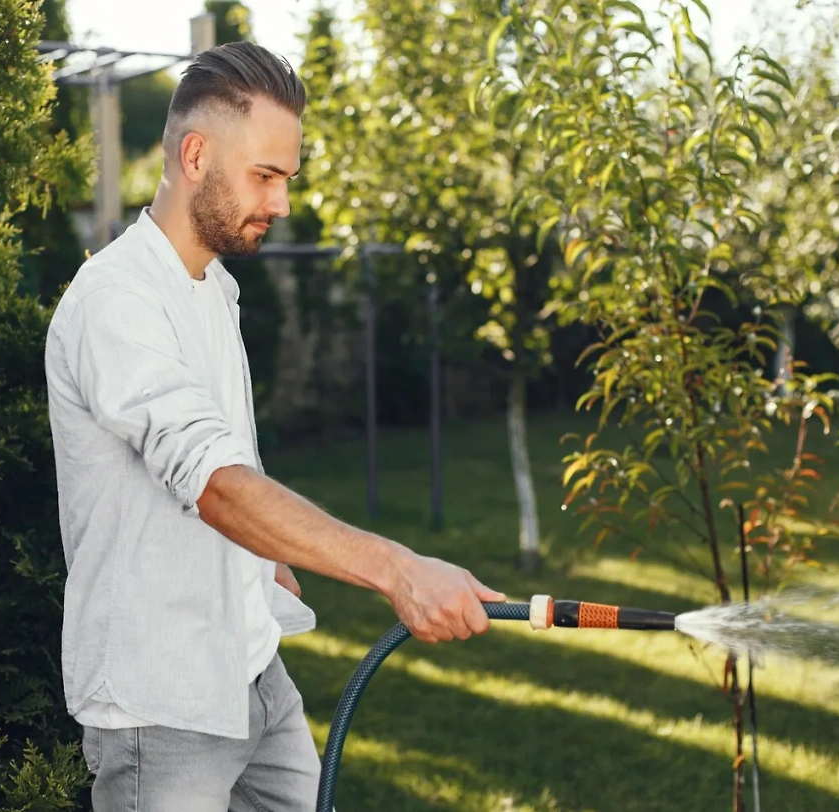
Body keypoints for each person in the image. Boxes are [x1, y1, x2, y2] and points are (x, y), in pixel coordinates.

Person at [43, 41, 506, 812]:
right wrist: (395, 568)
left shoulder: (210, 288)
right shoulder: (115, 303)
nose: (283, 202)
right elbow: (216, 485)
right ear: (196, 155)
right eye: (265, 176)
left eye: (286, 178)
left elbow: (228, 464)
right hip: (164, 710)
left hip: (252, 673)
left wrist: (264, 562)